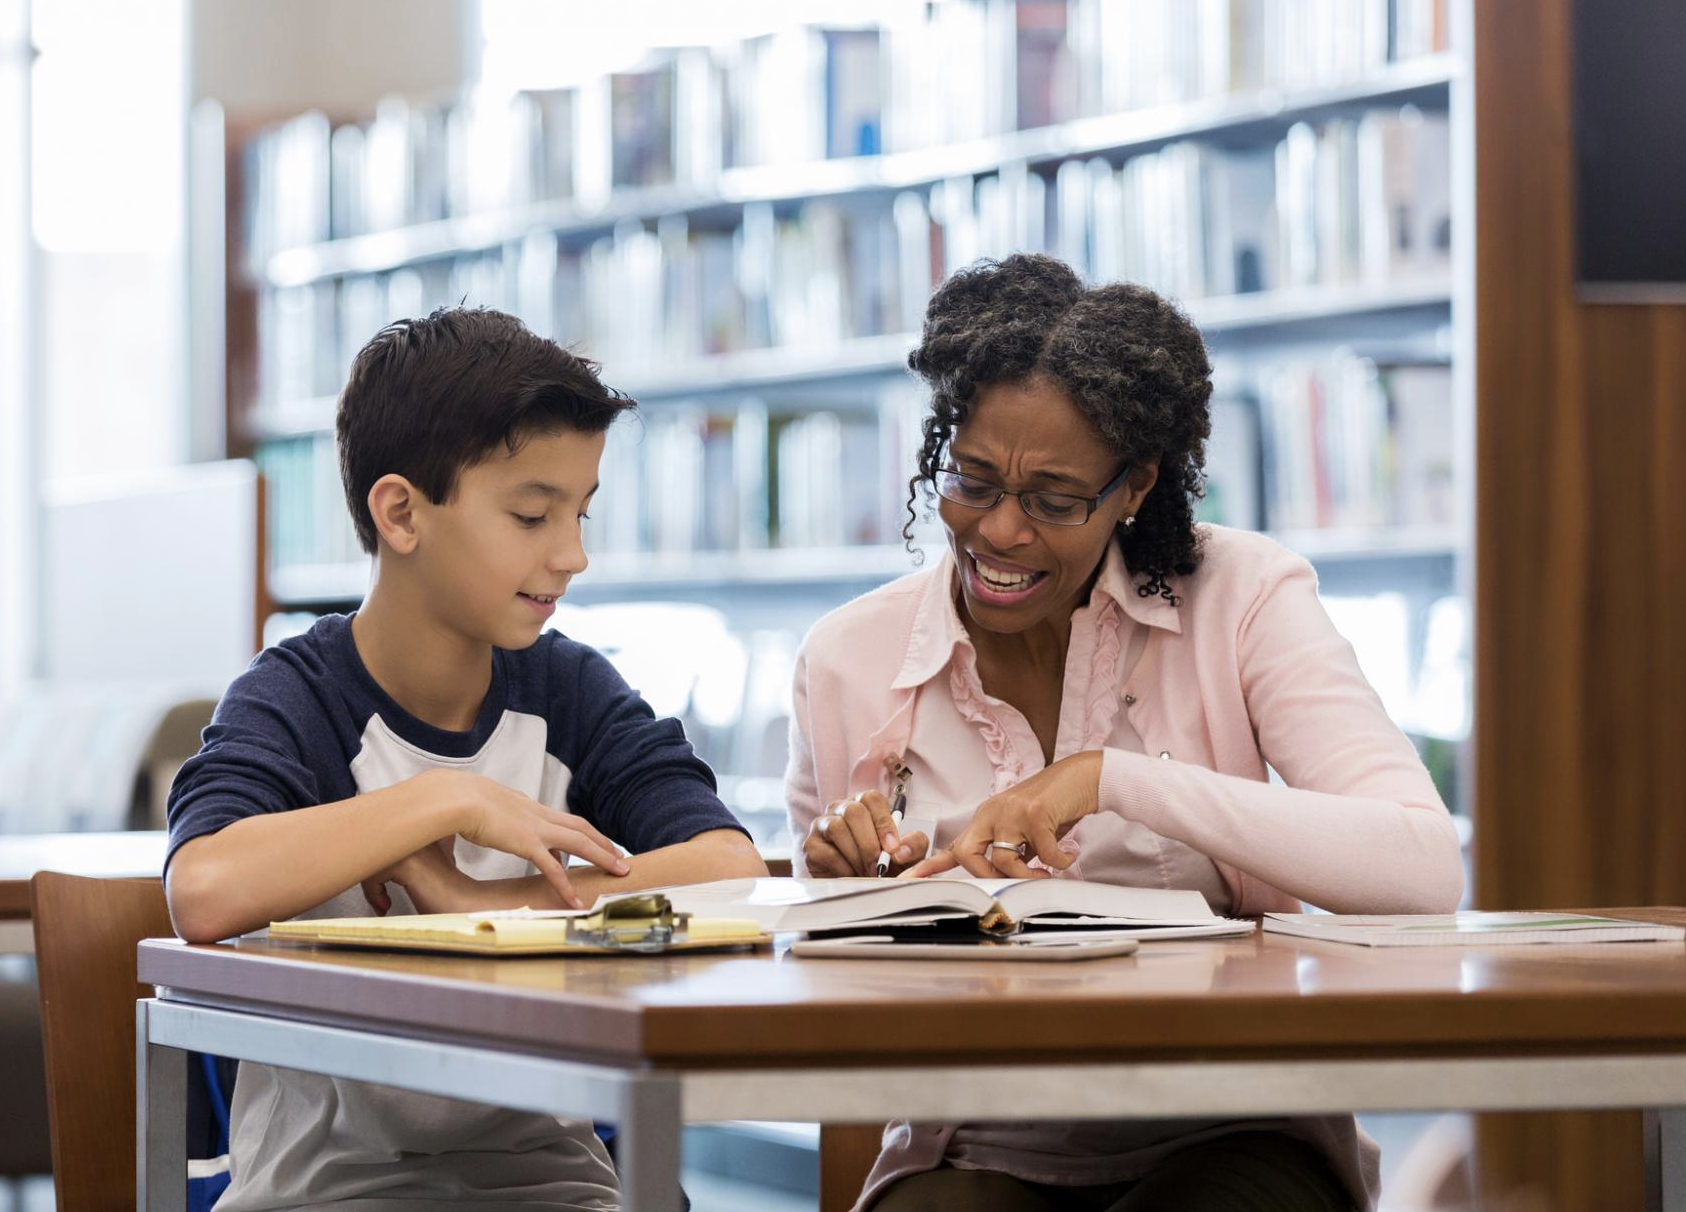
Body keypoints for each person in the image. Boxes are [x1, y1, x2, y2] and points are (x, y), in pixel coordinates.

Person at [786, 254, 1463, 1212]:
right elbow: (825, 993)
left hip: (1236, 1128)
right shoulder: (848, 657)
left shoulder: (1244, 597)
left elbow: (1423, 868)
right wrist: (850, 894)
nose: (1000, 533)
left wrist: (1111, 779)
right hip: (973, 1139)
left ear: (1135, 486)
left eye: (1054, 501)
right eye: (971, 480)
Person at [166, 307, 766, 1211]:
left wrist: (482, 907)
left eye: (580, 513)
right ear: (401, 512)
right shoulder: (297, 697)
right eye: (532, 515)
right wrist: (439, 801)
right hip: (328, 1191)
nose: (573, 555)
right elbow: (203, 890)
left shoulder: (569, 690)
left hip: (555, 1183)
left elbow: (727, 870)